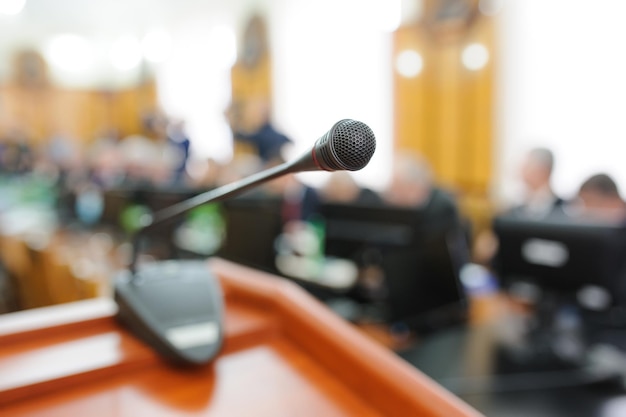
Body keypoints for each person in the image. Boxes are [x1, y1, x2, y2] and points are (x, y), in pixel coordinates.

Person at [512, 147, 564, 218]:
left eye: (528, 166)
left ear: (544, 170)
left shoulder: (565, 209)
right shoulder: (514, 212)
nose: (522, 171)